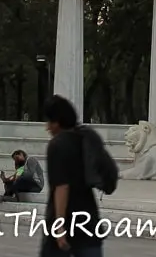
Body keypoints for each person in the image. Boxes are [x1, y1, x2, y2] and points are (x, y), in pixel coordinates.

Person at [42, 95, 104, 256]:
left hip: (67, 222)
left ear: (57, 122)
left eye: (49, 122)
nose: (47, 127)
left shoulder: (58, 144)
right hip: (89, 221)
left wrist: (59, 225)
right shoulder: (87, 138)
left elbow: (62, 186)